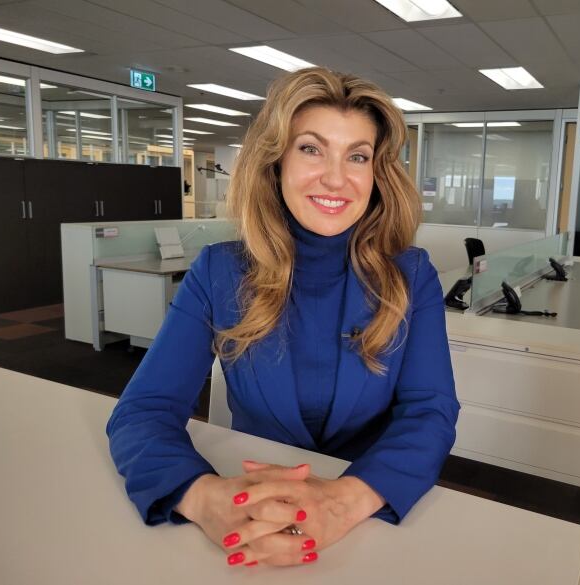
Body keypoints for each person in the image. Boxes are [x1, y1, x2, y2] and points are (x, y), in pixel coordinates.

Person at [106, 68, 459, 569]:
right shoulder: (219, 270)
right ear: (275, 163)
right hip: (250, 504)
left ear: (376, 174)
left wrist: (343, 501)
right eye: (311, 149)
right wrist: (205, 499)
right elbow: (143, 411)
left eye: (357, 156)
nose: (336, 178)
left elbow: (431, 411)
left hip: (365, 518)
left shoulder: (411, 274)